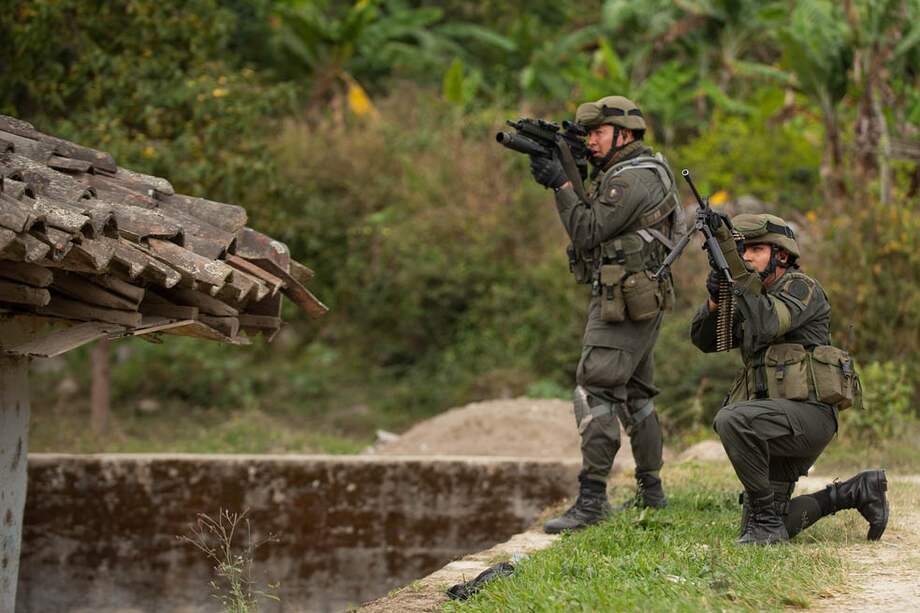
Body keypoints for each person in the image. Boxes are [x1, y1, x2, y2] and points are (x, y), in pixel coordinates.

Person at [529, 96, 684, 533]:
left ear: (626, 134)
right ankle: (651, 493)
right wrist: (569, 170)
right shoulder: (635, 172)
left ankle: (592, 501)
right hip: (636, 298)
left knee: (595, 389)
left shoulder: (631, 180)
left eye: (597, 133)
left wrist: (562, 184)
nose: (592, 142)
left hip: (623, 303)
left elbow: (587, 230)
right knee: (637, 395)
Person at [690, 212, 888, 544]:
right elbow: (705, 340)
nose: (746, 257)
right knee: (770, 526)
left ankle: (766, 519)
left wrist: (737, 278)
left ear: (781, 254)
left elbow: (768, 322)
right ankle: (853, 492)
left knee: (731, 420)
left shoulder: (801, 287)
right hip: (770, 424)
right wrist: (715, 300)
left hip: (808, 417)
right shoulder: (749, 296)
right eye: (741, 251)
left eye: (754, 249)